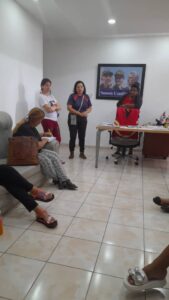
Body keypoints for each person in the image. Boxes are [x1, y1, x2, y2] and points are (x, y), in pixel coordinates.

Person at [13, 108, 77, 190]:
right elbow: (38, 145)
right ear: (36, 119)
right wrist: (45, 140)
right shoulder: (25, 128)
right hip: (25, 155)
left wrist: (43, 134)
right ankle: (59, 180)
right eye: (40, 120)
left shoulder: (30, 125)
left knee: (54, 156)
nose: (41, 122)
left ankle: (64, 180)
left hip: (32, 151)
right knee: (46, 160)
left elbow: (33, 136)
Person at [67, 81, 92, 159]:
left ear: (83, 88)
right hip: (73, 117)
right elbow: (69, 108)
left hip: (83, 118)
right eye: (78, 87)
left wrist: (86, 112)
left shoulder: (86, 96)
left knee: (82, 136)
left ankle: (82, 152)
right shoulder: (72, 96)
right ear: (75, 88)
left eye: (81, 87)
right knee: (73, 136)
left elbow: (90, 107)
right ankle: (71, 152)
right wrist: (79, 113)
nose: (80, 88)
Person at [39, 78, 61, 144]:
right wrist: (55, 107)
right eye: (46, 85)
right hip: (47, 120)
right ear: (42, 86)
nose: (48, 87)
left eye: (49, 85)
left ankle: (55, 154)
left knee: (58, 139)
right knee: (50, 139)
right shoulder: (41, 97)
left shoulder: (52, 96)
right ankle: (49, 153)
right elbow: (48, 110)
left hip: (55, 120)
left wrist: (53, 107)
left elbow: (60, 107)